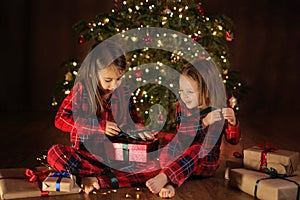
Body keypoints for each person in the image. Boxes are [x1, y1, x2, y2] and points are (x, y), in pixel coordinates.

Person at [47, 41, 158, 194]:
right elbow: (60, 119)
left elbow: (135, 121)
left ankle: (90, 178)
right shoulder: (82, 90)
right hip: (87, 157)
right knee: (55, 153)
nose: (114, 86)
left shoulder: (124, 93)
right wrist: (99, 126)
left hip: (119, 155)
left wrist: (139, 130)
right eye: (108, 80)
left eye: (118, 79)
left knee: (158, 159)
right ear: (93, 73)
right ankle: (105, 178)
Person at [145, 61, 241, 198]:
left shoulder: (219, 109)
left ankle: (165, 176)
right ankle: (170, 182)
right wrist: (204, 122)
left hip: (205, 160)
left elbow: (233, 140)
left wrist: (233, 122)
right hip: (181, 156)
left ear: (207, 90)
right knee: (169, 142)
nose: (184, 96)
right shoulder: (182, 107)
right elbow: (183, 133)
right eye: (181, 91)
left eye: (190, 92)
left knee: (197, 149)